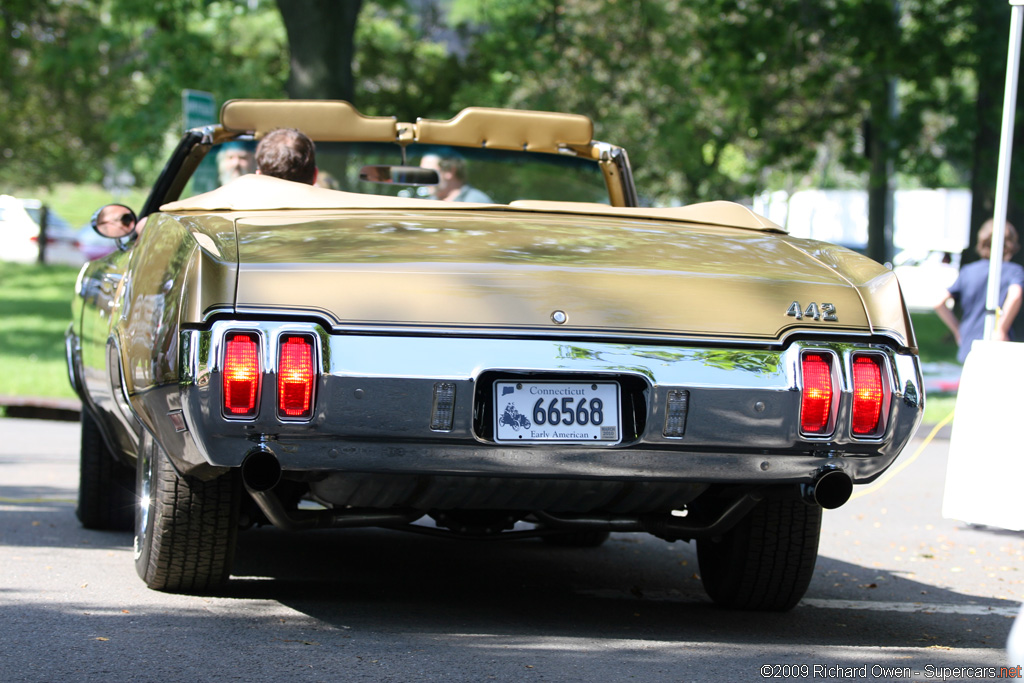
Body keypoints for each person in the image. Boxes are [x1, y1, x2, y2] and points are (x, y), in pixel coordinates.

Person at [933, 218, 1024, 363]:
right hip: (998, 343)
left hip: (970, 340)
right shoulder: (1013, 271)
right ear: (1010, 245)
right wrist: (1001, 328)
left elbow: (939, 302)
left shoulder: (968, 271)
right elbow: (1015, 295)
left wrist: (958, 330)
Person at [420, 152, 493, 202]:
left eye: (428, 173)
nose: (423, 179)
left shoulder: (477, 203)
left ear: (449, 171)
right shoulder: (428, 202)